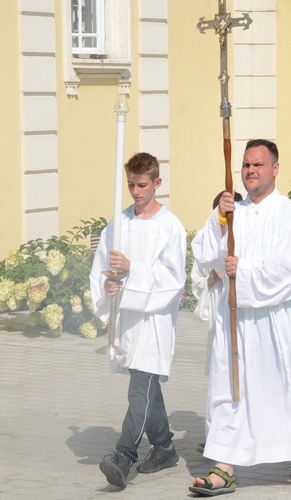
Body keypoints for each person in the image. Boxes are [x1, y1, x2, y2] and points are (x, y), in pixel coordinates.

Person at [190, 139, 291, 496]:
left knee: (288, 390)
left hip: (281, 321)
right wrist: (219, 218)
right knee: (229, 391)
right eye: (246, 164)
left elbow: (290, 269)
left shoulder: (290, 215)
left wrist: (242, 270)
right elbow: (205, 253)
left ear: (275, 169)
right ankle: (223, 467)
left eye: (258, 165)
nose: (250, 170)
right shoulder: (233, 211)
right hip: (237, 321)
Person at [90, 152, 187, 489]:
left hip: (155, 319)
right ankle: (164, 447)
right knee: (146, 388)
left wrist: (132, 271)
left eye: (142, 185)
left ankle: (124, 455)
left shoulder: (169, 226)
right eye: (130, 184)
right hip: (128, 318)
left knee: (140, 388)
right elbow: (102, 266)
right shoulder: (119, 225)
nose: (135, 191)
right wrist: (110, 285)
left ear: (157, 183)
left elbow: (173, 278)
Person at [191, 190, 241, 454]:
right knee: (218, 379)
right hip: (219, 318)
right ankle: (214, 436)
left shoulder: (245, 236)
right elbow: (197, 283)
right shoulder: (207, 241)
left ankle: (238, 434)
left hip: (242, 315)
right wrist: (213, 277)